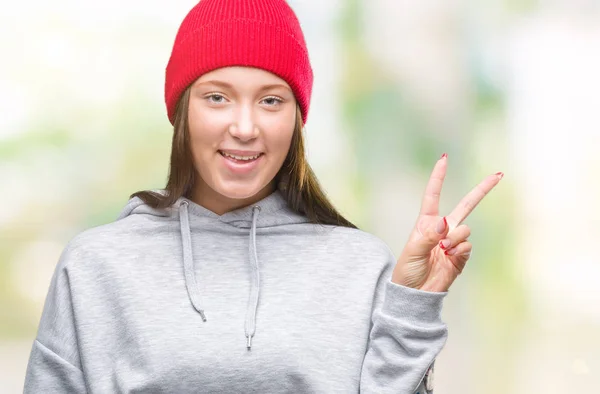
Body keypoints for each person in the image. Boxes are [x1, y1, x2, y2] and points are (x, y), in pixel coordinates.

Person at [23, 0, 502, 393]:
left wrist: (412, 305)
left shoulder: (358, 264)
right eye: (217, 97)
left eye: (271, 100)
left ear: (296, 118)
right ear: (182, 109)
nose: (246, 127)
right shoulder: (96, 264)